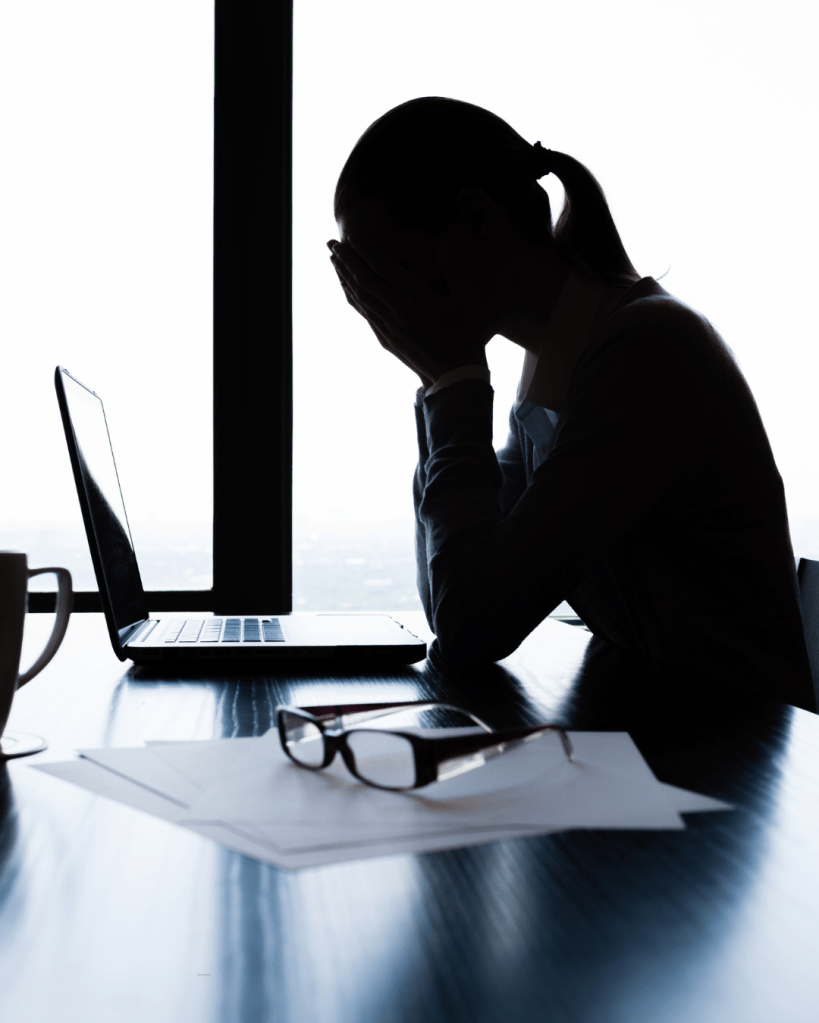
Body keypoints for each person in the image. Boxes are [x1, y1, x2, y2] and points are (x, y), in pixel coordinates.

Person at [328, 96, 814, 712]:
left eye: (385, 272)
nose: (382, 302)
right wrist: (439, 384)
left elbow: (474, 624)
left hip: (737, 743)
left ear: (475, 219)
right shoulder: (561, 354)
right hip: (668, 723)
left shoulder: (647, 351)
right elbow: (456, 598)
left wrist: (451, 384)